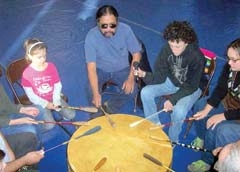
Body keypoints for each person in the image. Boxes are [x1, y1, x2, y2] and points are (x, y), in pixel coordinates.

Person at [136, 21, 205, 142]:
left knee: (178, 111)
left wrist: (173, 100)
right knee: (145, 92)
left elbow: (192, 86)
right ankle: (154, 126)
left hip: (192, 88)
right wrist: (144, 75)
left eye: (177, 46)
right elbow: (160, 76)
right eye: (171, 45)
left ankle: (172, 140)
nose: (173, 50)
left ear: (186, 42)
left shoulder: (197, 57)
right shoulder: (167, 49)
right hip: (173, 81)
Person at [188, 38, 240, 172]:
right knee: (201, 105)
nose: (229, 63)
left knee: (217, 128)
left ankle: (207, 161)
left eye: (234, 60)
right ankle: (201, 137)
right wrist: (207, 109)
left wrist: (223, 116)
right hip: (229, 102)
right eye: (229, 58)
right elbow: (221, 88)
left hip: (237, 114)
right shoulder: (231, 66)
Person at [84, 5, 142, 114]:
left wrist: (130, 77)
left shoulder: (126, 30)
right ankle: (97, 113)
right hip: (100, 70)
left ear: (117, 22)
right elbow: (91, 68)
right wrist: (96, 93)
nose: (108, 29)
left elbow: (136, 53)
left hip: (122, 69)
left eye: (112, 25)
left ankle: (110, 107)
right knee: (90, 91)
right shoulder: (91, 36)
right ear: (98, 23)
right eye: (104, 26)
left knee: (132, 91)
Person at [21, 38, 76, 130]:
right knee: (50, 125)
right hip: (39, 101)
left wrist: (56, 100)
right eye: (39, 57)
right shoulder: (27, 74)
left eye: (44, 56)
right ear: (30, 56)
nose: (43, 59)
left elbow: (57, 85)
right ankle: (36, 129)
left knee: (71, 115)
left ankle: (62, 114)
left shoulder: (51, 67)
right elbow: (31, 95)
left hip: (53, 97)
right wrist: (45, 104)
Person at [0, 66, 44, 158]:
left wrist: (23, 109)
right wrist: (19, 121)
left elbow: (7, 105)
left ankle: (36, 146)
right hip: (2, 126)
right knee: (30, 130)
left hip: (6, 116)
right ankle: (25, 156)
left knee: (39, 110)